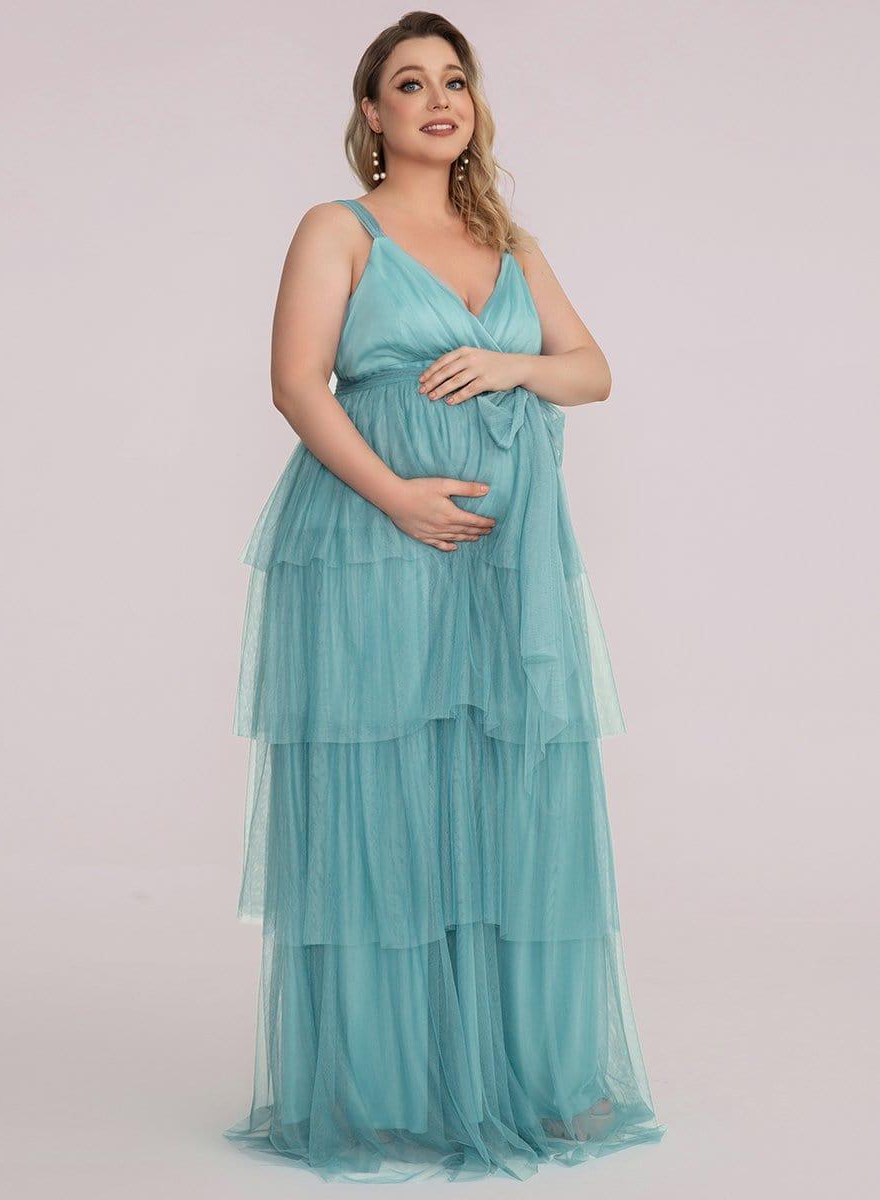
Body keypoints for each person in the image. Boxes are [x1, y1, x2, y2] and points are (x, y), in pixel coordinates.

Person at [223, 10, 666, 1184]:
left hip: (508, 563)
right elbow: (296, 385)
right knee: (386, 797)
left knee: (509, 789)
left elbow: (592, 370)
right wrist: (398, 498)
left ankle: (529, 1071)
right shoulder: (340, 228)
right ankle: (385, 1089)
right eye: (410, 83)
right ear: (372, 113)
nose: (437, 100)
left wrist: (516, 364)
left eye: (454, 80)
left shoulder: (510, 243)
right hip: (373, 545)